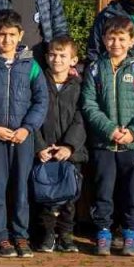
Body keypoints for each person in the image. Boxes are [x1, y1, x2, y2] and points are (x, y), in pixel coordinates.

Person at [0, 10, 49, 258]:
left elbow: (41, 100)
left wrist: (27, 128)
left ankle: (20, 235)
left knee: (21, 188)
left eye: (12, 35)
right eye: (2, 34)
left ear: (21, 35)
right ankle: (0, 236)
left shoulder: (31, 64)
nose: (6, 40)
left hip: (22, 137)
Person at [82, 15, 134, 257]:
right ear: (103, 39)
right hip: (104, 143)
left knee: (132, 191)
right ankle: (103, 232)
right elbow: (89, 104)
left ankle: (131, 233)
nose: (116, 43)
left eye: (121, 38)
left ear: (131, 41)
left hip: (132, 145)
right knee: (103, 190)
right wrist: (109, 129)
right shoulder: (94, 69)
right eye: (111, 38)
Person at [35, 35, 86, 254]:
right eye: (53, 54)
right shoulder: (38, 82)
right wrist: (39, 146)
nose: (57, 59)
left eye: (63, 55)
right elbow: (33, 115)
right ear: (46, 57)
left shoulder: (79, 85)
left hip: (70, 152)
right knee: (45, 196)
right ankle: (47, 235)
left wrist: (70, 146)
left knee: (69, 197)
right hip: (44, 149)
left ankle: (66, 235)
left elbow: (82, 116)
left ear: (73, 60)